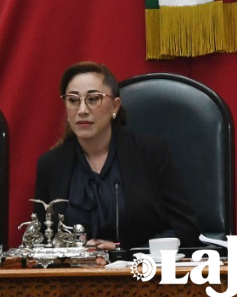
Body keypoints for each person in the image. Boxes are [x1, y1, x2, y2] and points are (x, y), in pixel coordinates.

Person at [33, 61, 200, 250]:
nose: (82, 110)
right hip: (74, 275)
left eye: (93, 99)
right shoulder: (51, 165)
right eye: (73, 100)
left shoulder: (150, 153)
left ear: (115, 106)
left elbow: (185, 229)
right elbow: (42, 241)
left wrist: (122, 250)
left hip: (138, 271)